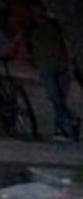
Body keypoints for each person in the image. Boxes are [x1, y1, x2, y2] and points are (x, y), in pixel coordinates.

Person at [29, 10, 79, 141]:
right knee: (57, 97)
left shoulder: (53, 29)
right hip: (51, 65)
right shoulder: (38, 30)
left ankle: (64, 125)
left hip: (54, 66)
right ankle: (65, 125)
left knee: (56, 97)